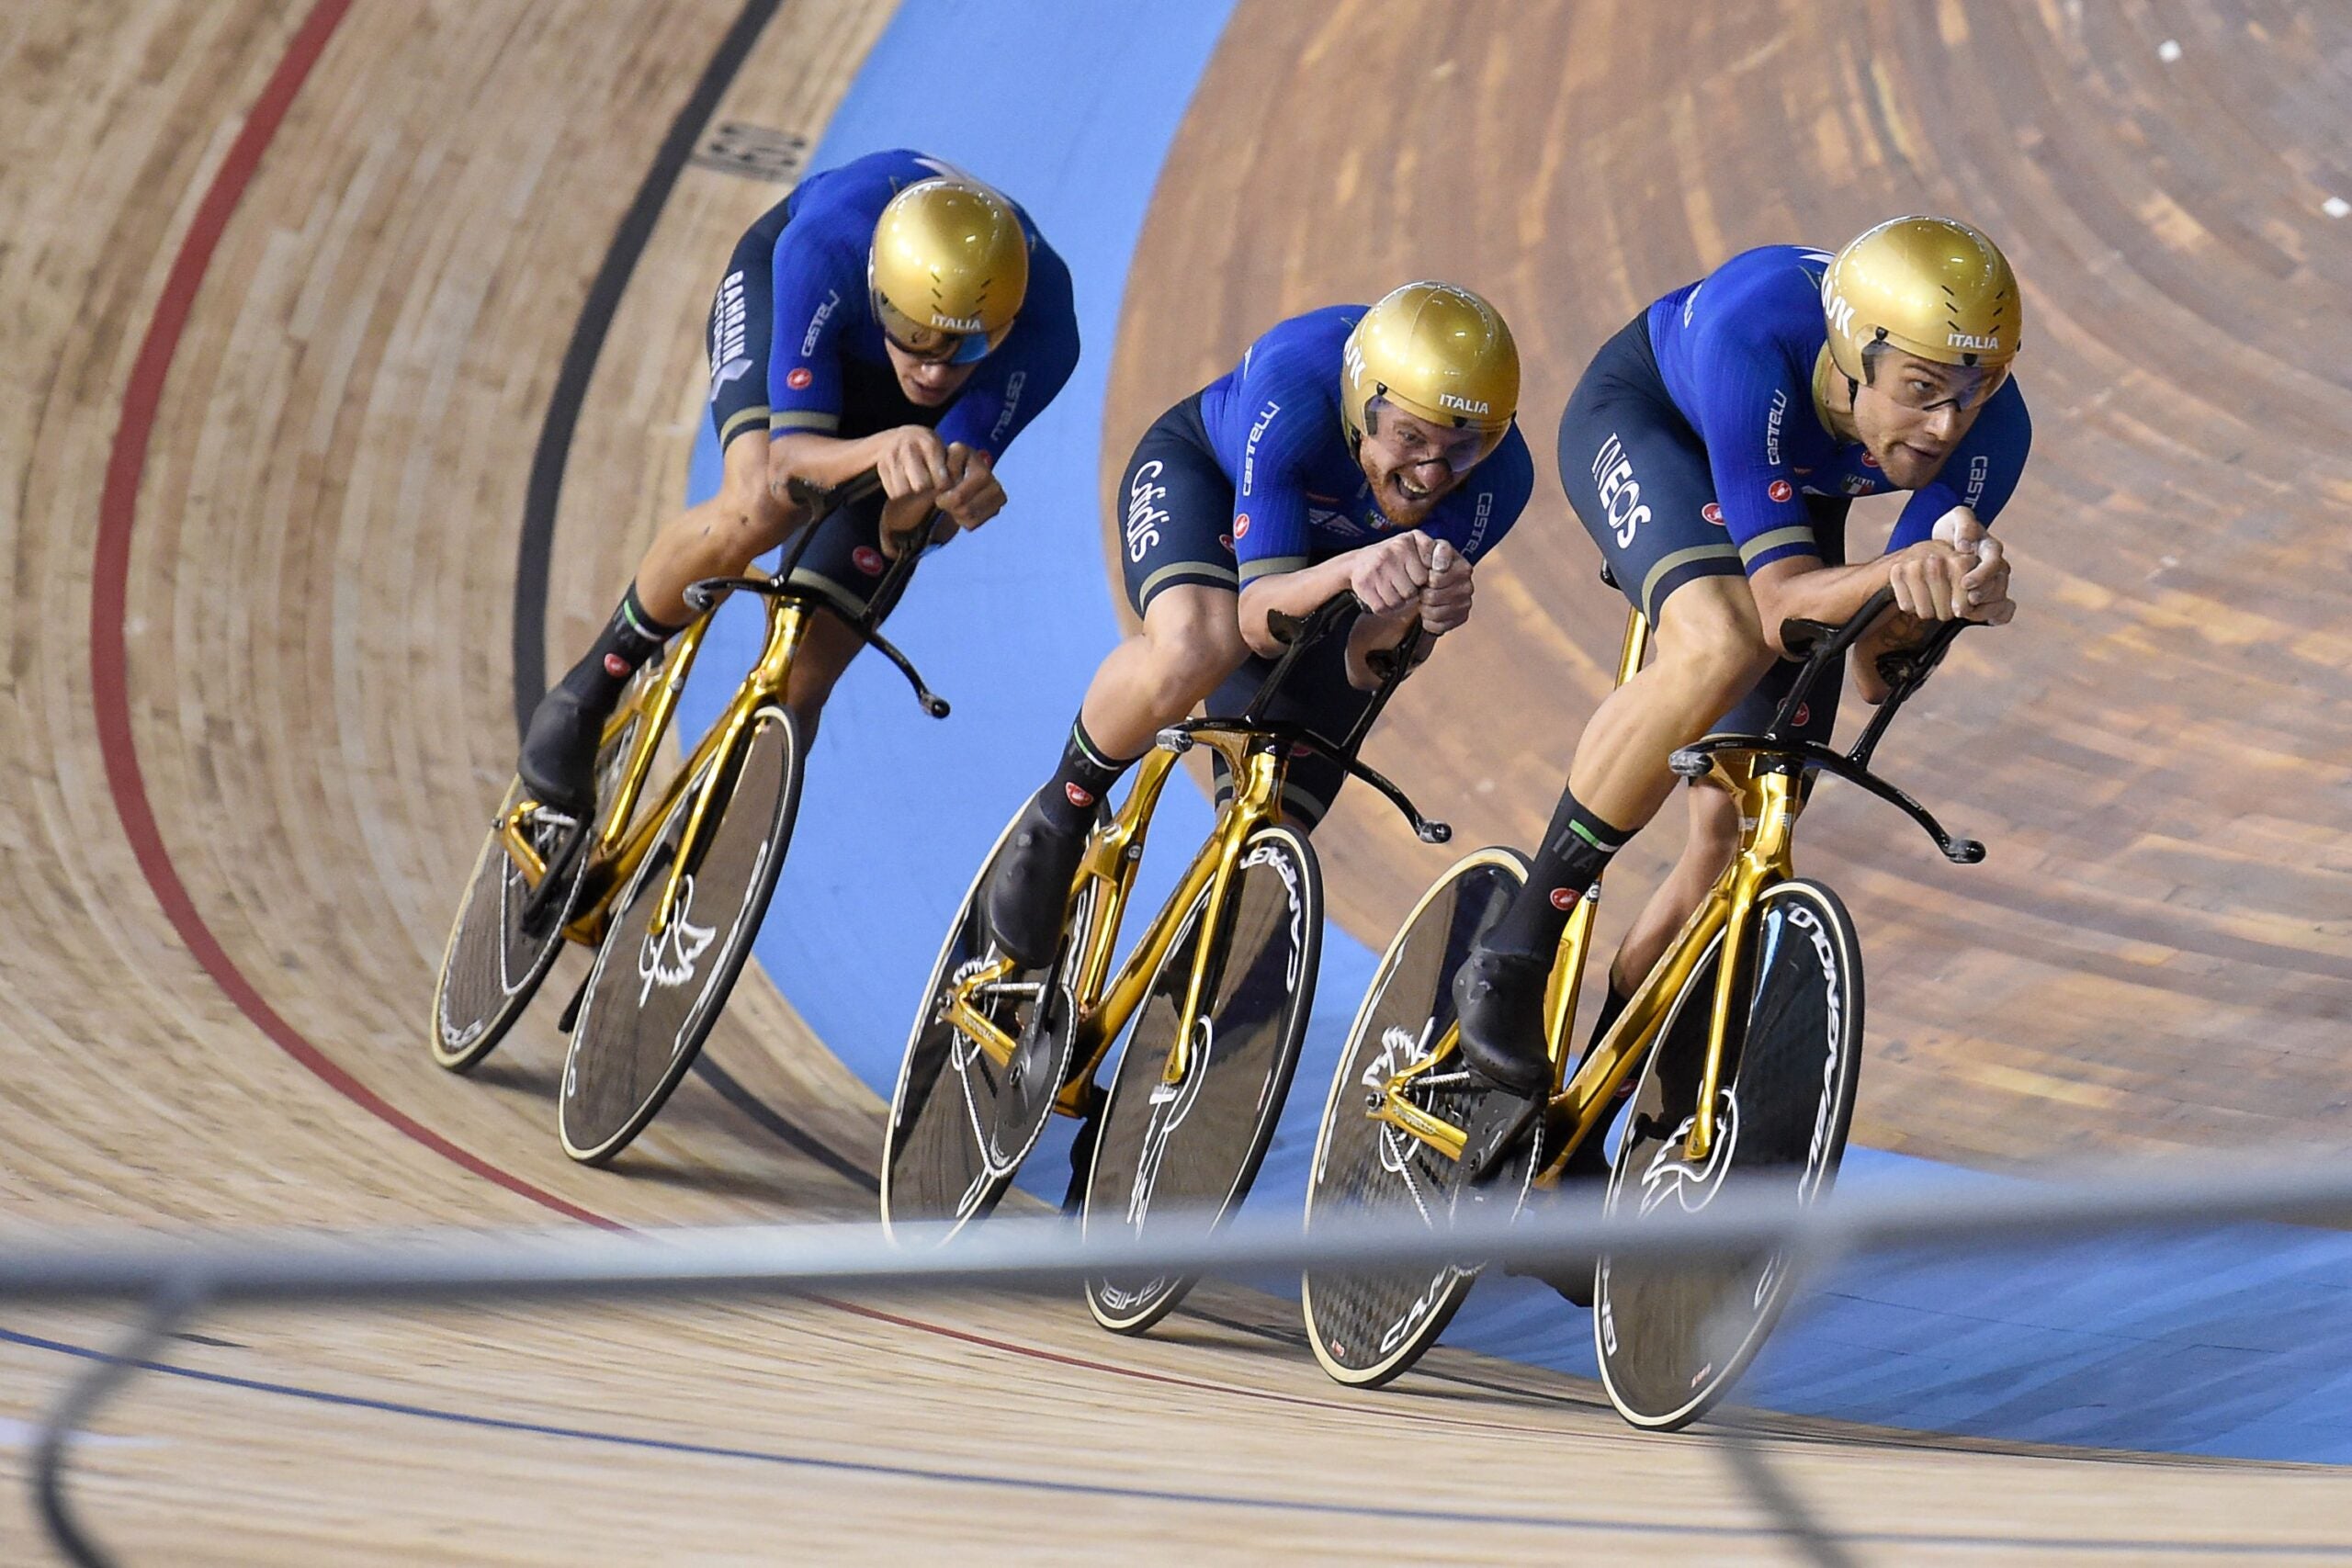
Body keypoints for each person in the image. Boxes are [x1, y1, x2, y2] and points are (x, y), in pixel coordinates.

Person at [1450, 216, 2032, 1180]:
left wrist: (1938, 609)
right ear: (1852, 358)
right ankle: (1515, 950)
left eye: (1971, 395)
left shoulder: (1987, 437)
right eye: (1922, 393)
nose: (1944, 427)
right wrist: (1897, 573)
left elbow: (1872, 663)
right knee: (1716, 638)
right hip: (1657, 425)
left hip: (1795, 486)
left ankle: (1577, 1146)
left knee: (1742, 835)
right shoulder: (1752, 327)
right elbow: (1773, 609)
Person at [982, 282, 1534, 967]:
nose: (1430, 473)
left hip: (1338, 572)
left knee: (1272, 838)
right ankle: (1062, 811)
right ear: (1365, 406)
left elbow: (1365, 660)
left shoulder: (1499, 480)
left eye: (1460, 449)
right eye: (1411, 438)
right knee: (1196, 645)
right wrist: (1352, 570)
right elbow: (1257, 620)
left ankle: (1185, 997)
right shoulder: (1294, 385)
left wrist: (1425, 623)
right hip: (1211, 492)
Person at [516, 149, 1080, 817]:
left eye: (967, 347)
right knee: (758, 504)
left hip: (904, 417)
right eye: (913, 335)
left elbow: (907, 529)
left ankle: (717, 850)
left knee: (812, 665)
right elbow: (790, 464)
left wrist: (943, 505)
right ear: (880, 293)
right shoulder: (827, 249)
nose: (933, 369)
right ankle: (593, 683)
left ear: (1007, 327)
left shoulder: (1043, 333)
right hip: (797, 314)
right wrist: (884, 445)